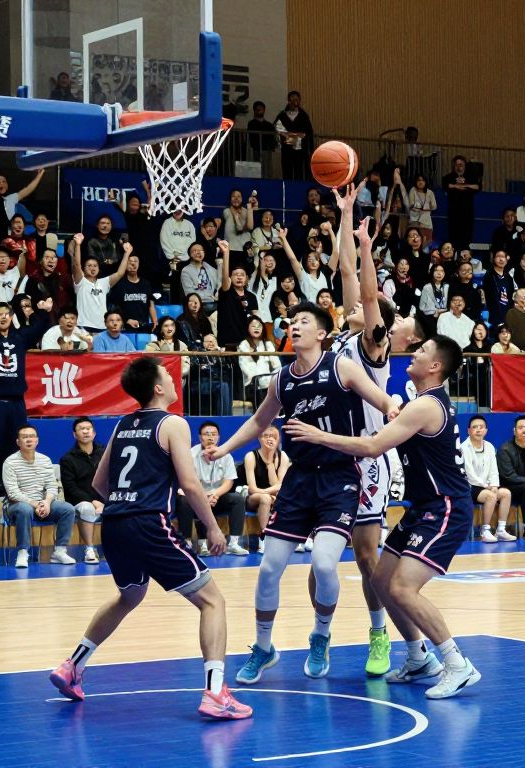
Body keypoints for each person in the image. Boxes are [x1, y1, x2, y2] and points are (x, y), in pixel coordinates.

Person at [49, 357, 252, 719]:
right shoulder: (173, 423)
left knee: (130, 595)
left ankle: (72, 666)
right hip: (147, 522)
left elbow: (99, 483)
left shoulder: (123, 424)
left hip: (114, 523)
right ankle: (216, 691)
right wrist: (213, 527)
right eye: (168, 377)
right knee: (213, 601)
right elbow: (190, 484)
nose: (175, 382)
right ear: (158, 388)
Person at [206, 301, 398, 684]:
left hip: (340, 476)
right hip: (299, 481)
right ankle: (264, 648)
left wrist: (393, 407)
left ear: (321, 333)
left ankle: (320, 636)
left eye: (303, 321)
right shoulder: (281, 379)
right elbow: (259, 421)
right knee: (268, 568)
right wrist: (224, 448)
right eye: (292, 322)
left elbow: (381, 397)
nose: (294, 326)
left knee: (325, 564)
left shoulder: (341, 367)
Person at [284, 335, 481, 698]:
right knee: (380, 580)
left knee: (403, 588)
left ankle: (457, 664)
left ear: (435, 366)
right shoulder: (418, 404)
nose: (415, 352)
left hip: (446, 508)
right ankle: (418, 657)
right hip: (424, 507)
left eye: (422, 351)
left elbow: (373, 446)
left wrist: (318, 435)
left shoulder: (426, 405)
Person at [321, 191, 425, 676]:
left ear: (405, 339)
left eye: (399, 318)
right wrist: (346, 218)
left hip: (365, 459)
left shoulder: (376, 347)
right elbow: (346, 278)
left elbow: (364, 291)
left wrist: (367, 253)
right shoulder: (345, 333)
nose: (391, 314)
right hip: (328, 457)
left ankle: (380, 633)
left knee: (366, 558)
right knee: (319, 554)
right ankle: (317, 635)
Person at [0, 296, 52, 472]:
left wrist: (42, 311)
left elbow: (40, 328)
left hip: (17, 401)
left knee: (18, 440)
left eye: (7, 314)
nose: (3, 317)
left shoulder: (21, 337)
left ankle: (16, 478)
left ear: (12, 316)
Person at [2, 424, 78, 569]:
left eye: (31, 436)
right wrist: (35, 504)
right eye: (24, 437)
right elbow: (12, 492)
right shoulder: (10, 462)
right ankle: (23, 552)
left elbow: (52, 486)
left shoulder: (45, 460)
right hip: (17, 505)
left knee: (67, 509)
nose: (28, 440)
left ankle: (59, 551)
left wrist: (47, 502)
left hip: (43, 504)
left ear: (37, 440)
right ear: (18, 442)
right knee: (24, 510)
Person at [174, 422, 249, 557]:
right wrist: (204, 496)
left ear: (218, 438)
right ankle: (188, 543)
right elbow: (187, 482)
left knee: (237, 499)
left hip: (216, 498)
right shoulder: (190, 455)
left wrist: (215, 493)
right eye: (206, 434)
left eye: (213, 434)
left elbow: (229, 481)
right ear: (200, 437)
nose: (210, 437)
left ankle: (233, 543)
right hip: (195, 498)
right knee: (183, 500)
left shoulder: (226, 455)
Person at [59, 417, 106, 565]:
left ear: (94, 433)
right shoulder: (67, 459)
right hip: (79, 502)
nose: (85, 431)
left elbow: (112, 479)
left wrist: (105, 502)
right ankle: (90, 549)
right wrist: (93, 502)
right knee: (87, 509)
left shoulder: (104, 453)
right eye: (81, 429)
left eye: (88, 428)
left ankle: (118, 548)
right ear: (75, 434)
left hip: (103, 500)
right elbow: (71, 488)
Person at [462, 415, 514, 543]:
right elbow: (469, 473)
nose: (478, 430)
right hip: (469, 486)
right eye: (474, 427)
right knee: (490, 496)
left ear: (486, 430)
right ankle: (485, 530)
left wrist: (495, 485)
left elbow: (493, 470)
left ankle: (501, 529)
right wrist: (486, 486)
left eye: (481, 427)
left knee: (506, 493)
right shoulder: (464, 447)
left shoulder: (489, 446)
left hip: (487, 486)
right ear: (468, 430)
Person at [243, 426, 290, 555]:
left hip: (272, 496)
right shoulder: (251, 456)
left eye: (273, 436)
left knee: (287, 496)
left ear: (278, 439)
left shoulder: (283, 456)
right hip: (253, 497)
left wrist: (270, 463)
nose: (270, 439)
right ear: (259, 438)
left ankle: (289, 537)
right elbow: (252, 488)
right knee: (265, 498)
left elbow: (280, 485)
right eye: (266, 436)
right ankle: (264, 538)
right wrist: (270, 494)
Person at [442, 155, 481, 251]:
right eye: (456, 165)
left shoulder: (471, 177)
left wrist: (465, 185)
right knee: (453, 239)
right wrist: (456, 185)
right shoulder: (448, 177)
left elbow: (477, 187)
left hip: (467, 214)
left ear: (465, 166)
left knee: (466, 239)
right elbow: (447, 185)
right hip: (454, 213)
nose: (459, 167)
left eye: (461, 164)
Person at [274, 90, 313, 180]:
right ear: (289, 100)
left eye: (297, 99)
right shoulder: (283, 115)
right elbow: (277, 127)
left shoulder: (303, 115)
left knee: (300, 170)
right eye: (293, 98)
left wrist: (302, 136)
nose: (295, 101)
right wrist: (286, 134)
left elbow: (308, 132)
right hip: (287, 147)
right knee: (287, 169)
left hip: (301, 149)